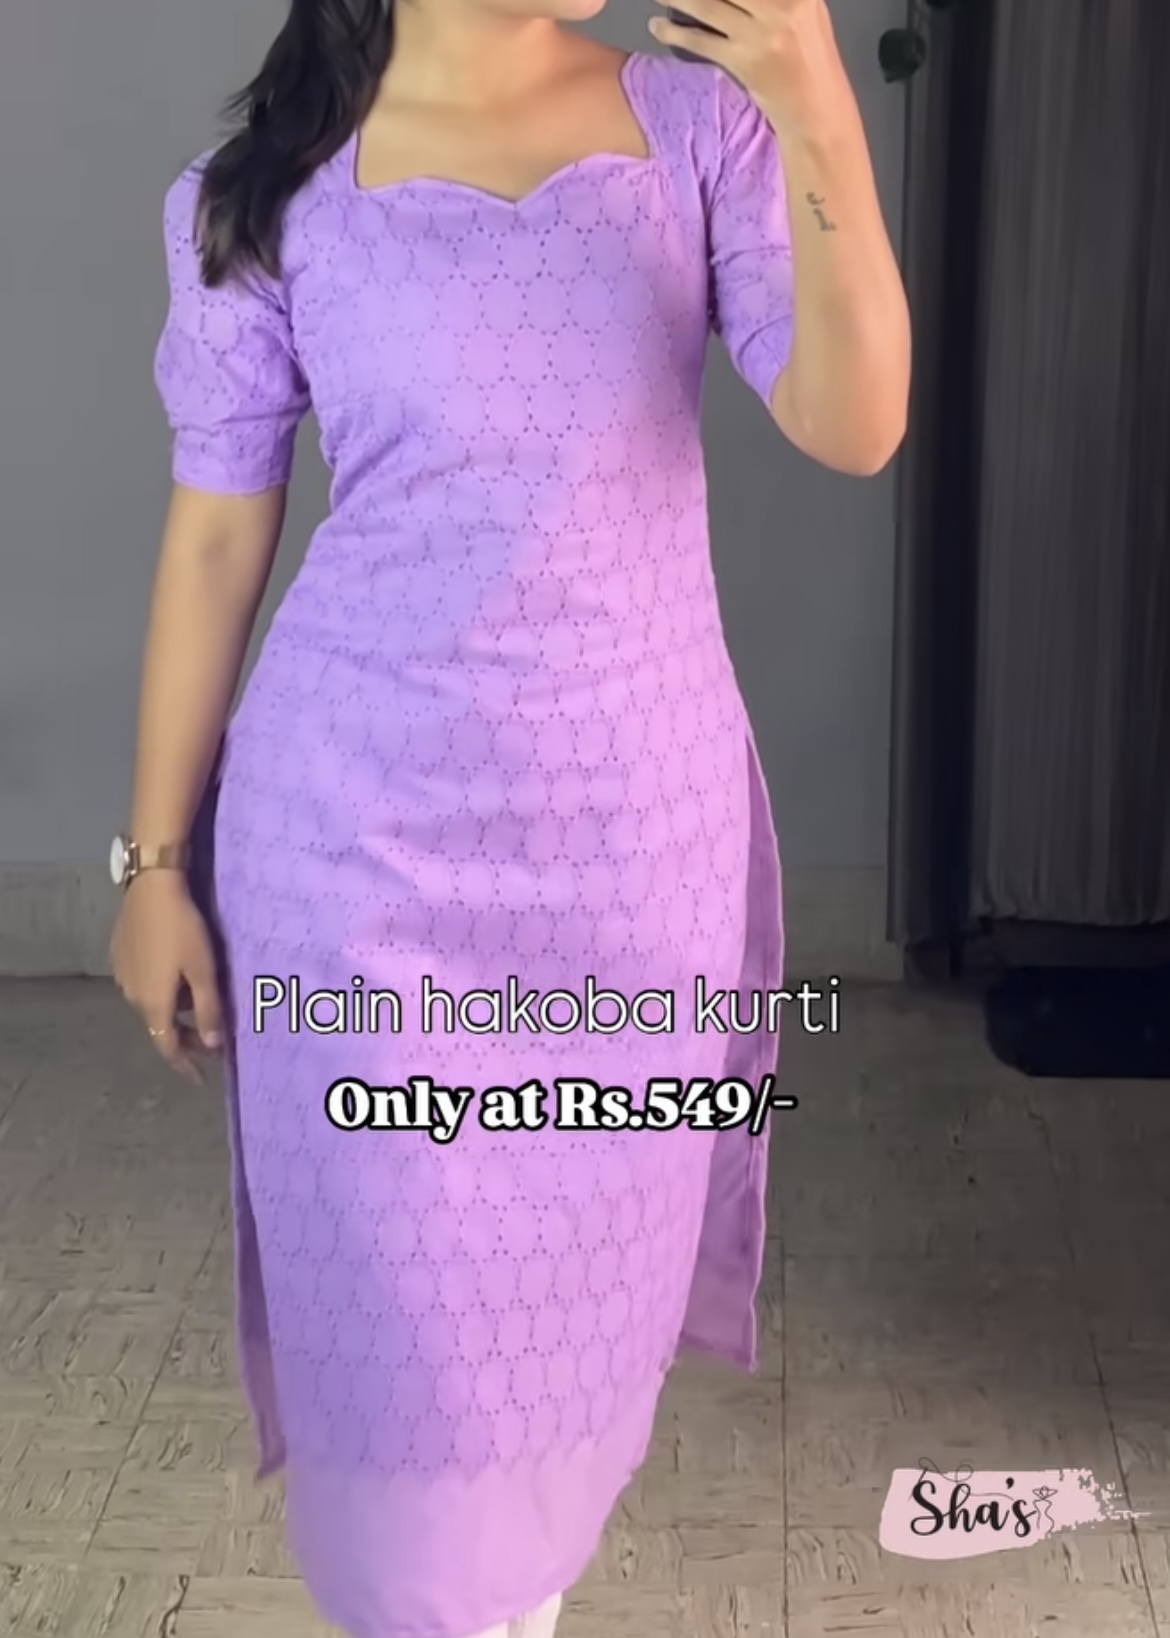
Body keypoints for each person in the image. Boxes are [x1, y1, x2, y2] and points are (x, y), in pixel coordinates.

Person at [110, 0, 909, 1631]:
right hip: (357, 868)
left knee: (554, 1373)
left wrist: (817, 107)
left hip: (628, 867)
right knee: (407, 1414)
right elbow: (213, 539)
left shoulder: (699, 135)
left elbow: (856, 421)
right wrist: (154, 862)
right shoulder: (264, 192)